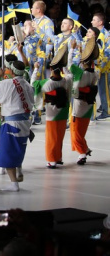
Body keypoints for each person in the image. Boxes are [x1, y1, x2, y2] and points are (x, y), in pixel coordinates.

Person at [0, 55, 34, 191]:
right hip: (25, 122)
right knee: (18, 149)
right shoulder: (28, 85)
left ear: (12, 71)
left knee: (6, 153)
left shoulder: (7, 83)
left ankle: (14, 184)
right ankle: (19, 169)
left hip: (11, 123)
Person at [31, 49, 72, 169]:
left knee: (51, 138)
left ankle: (51, 160)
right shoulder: (66, 81)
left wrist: (36, 69)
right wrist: (65, 68)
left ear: (51, 70)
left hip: (52, 114)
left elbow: (33, 83)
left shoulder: (47, 83)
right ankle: (58, 157)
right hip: (63, 112)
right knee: (59, 137)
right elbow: (70, 75)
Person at [71, 29, 100, 165]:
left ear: (83, 62)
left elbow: (69, 65)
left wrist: (72, 49)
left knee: (76, 133)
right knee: (81, 131)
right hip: (88, 106)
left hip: (78, 107)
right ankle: (85, 149)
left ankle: (82, 154)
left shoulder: (80, 74)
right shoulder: (95, 73)